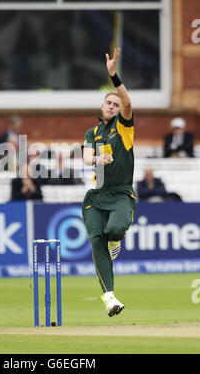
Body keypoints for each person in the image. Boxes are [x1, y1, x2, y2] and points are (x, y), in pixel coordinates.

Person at [82, 48, 136, 317]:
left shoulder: (124, 127)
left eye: (116, 104)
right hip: (96, 197)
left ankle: (117, 240)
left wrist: (113, 75)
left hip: (121, 194)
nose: (113, 107)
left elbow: (127, 103)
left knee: (114, 230)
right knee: (96, 240)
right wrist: (95, 161)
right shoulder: (92, 132)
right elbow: (85, 157)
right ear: (102, 106)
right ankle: (109, 298)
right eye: (109, 103)